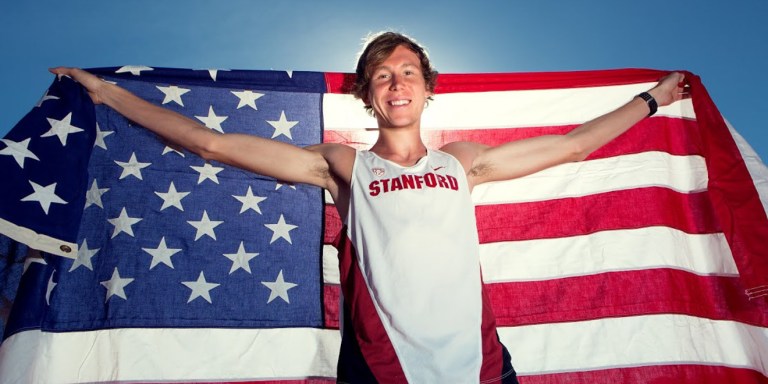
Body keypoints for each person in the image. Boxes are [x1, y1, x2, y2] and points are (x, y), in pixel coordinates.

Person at [51, 31, 685, 384]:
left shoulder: (461, 162)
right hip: (381, 366)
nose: (397, 81)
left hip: (481, 363)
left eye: (408, 71)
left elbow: (571, 145)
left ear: (427, 90)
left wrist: (652, 100)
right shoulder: (343, 165)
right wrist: (108, 95)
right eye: (383, 75)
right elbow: (214, 144)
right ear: (368, 95)